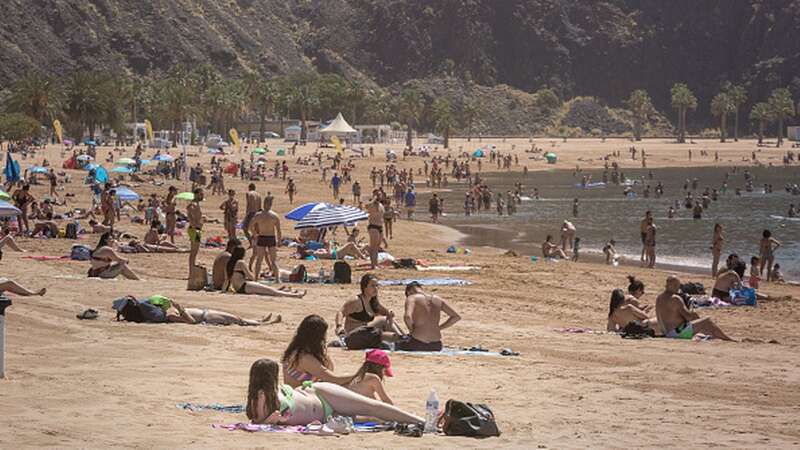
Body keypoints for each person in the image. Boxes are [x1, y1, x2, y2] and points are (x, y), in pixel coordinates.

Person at [245, 358, 423, 426]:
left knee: (371, 407)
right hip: (323, 412)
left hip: (320, 393)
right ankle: (410, 419)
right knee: (370, 414)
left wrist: (276, 419)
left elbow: (263, 420)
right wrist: (275, 419)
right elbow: (260, 422)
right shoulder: (260, 398)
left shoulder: (267, 395)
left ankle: (420, 421)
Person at [281, 315, 357, 388]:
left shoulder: (296, 349)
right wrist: (360, 375)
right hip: (301, 398)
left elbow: (329, 370)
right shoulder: (304, 358)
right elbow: (333, 379)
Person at [334, 274, 405, 349]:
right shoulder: (356, 301)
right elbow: (341, 312)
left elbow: (386, 313)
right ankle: (404, 339)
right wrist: (339, 326)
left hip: (366, 334)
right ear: (364, 287)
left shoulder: (372, 302)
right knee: (383, 320)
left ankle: (403, 337)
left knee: (388, 322)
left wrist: (390, 314)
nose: (376, 288)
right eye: (372, 286)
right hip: (354, 336)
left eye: (377, 286)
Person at [656, 275, 735, 341]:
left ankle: (711, 336)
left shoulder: (659, 298)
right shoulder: (675, 298)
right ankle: (728, 339)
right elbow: (688, 317)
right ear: (669, 285)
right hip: (676, 333)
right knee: (707, 321)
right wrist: (691, 308)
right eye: (676, 286)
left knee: (699, 322)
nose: (678, 288)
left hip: (666, 332)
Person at [396, 281, 461, 352]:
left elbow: (407, 317)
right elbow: (456, 317)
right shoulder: (437, 299)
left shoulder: (412, 298)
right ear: (420, 288)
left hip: (417, 343)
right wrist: (438, 328)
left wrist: (412, 330)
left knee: (394, 342)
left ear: (408, 292)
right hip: (436, 345)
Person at [224, 246, 304, 297]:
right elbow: (250, 277)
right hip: (244, 286)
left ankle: (284, 291)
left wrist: (223, 290)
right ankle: (295, 295)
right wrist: (258, 277)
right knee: (273, 293)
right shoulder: (241, 262)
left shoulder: (230, 264)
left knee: (268, 290)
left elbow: (226, 280)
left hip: (238, 288)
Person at [166, 300, 281, 326]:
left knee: (237, 318)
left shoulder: (171, 312)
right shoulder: (171, 316)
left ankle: (260, 321)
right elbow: (191, 321)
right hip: (207, 317)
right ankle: (264, 324)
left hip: (207, 313)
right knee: (238, 320)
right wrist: (181, 310)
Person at [248, 195, 282, 280]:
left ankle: (256, 278)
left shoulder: (259, 215)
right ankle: (277, 278)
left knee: (260, 259)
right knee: (272, 260)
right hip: (270, 237)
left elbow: (250, 226)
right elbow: (278, 230)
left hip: (263, 236)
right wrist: (279, 240)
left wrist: (255, 234)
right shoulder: (274, 216)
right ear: (270, 204)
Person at [366, 196, 386, 269]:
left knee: (377, 247)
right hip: (373, 226)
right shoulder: (371, 205)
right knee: (373, 246)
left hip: (380, 226)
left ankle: (376, 263)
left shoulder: (381, 205)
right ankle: (373, 264)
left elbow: (382, 216)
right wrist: (373, 199)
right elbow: (366, 206)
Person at [187, 188, 204, 271]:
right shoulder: (194, 204)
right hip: (195, 229)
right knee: (194, 251)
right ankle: (191, 270)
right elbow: (190, 214)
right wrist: (195, 223)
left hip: (196, 229)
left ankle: (192, 268)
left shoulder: (195, 203)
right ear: (196, 194)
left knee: (195, 251)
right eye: (201, 194)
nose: (202, 196)